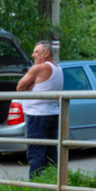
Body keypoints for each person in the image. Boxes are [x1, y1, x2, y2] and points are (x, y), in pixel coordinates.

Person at [16, 40, 63, 178]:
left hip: (38, 115)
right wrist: (32, 83)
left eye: (36, 52)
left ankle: (36, 185)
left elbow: (19, 87)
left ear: (47, 53)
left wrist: (30, 84)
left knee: (36, 151)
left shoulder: (39, 68)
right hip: (52, 113)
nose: (33, 55)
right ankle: (54, 181)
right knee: (51, 151)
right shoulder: (57, 68)